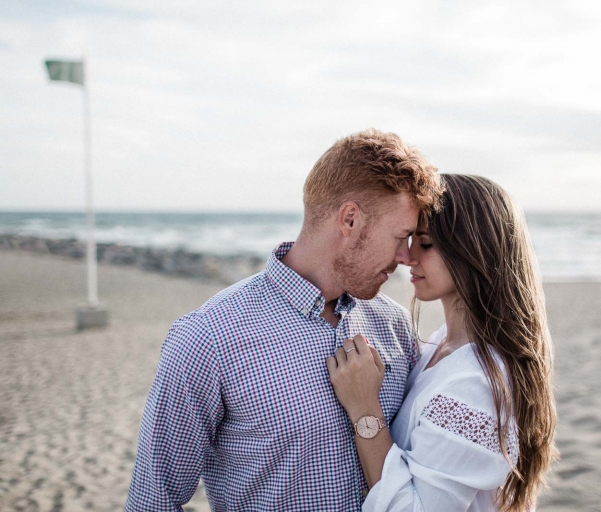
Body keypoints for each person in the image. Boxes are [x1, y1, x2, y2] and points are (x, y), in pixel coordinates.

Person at [125, 129, 444, 511]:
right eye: (401, 236)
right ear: (350, 220)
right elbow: (153, 501)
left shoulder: (394, 324)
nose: (406, 257)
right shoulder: (208, 337)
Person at [327, 174, 557, 511]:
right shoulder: (442, 344)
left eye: (426, 243)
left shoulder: (476, 383)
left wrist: (364, 408)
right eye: (409, 239)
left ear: (473, 250)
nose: (406, 257)